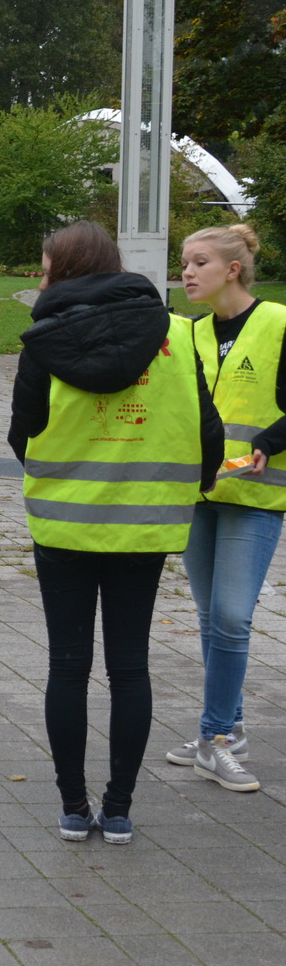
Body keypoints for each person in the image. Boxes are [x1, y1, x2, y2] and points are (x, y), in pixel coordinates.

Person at [8, 222, 220, 845]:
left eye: (45, 267)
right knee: (131, 666)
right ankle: (120, 809)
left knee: (67, 666)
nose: (41, 279)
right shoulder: (178, 335)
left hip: (63, 524)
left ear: (65, 271)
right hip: (147, 523)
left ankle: (74, 808)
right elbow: (207, 430)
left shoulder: (42, 342)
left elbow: (22, 434)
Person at [165, 224, 278, 793]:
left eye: (199, 262)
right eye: (184, 262)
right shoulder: (188, 333)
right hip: (201, 495)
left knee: (232, 617)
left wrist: (271, 441)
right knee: (212, 620)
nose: (187, 271)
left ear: (233, 268)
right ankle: (225, 732)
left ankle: (216, 738)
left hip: (256, 498)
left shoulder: (278, 322)